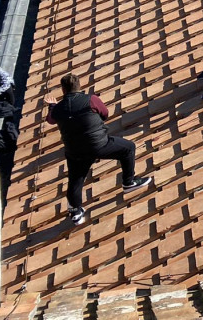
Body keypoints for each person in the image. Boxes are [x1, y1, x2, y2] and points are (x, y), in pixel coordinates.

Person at [46, 74, 152, 225]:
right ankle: (129, 182)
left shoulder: (57, 109)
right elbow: (105, 114)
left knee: (75, 179)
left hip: (75, 151)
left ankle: (75, 212)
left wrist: (52, 105)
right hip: (99, 145)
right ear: (79, 86)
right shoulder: (91, 99)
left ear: (63, 90)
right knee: (128, 148)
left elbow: (50, 120)